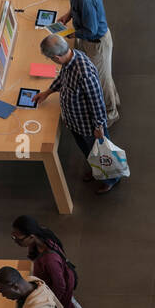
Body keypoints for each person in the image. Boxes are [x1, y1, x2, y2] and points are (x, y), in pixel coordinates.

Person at [34, 35, 117, 195]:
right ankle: (97, 170)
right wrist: (48, 92)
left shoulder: (84, 72)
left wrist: (99, 128)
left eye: (50, 58)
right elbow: (63, 79)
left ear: (56, 57)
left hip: (89, 128)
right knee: (89, 152)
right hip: (76, 123)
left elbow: (97, 102)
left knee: (101, 154)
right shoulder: (69, 60)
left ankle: (110, 180)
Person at [48, 0, 119, 126]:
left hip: (96, 42)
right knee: (104, 73)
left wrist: (72, 34)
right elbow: (76, 6)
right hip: (90, 39)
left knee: (101, 79)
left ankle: (111, 113)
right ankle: (115, 100)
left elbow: (91, 30)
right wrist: (68, 15)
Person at [10, 216, 82, 308]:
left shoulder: (50, 260)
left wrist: (52, 305)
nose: (16, 242)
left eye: (18, 239)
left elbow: (60, 286)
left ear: (31, 236)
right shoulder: (42, 236)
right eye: (13, 237)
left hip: (59, 290)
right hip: (62, 281)